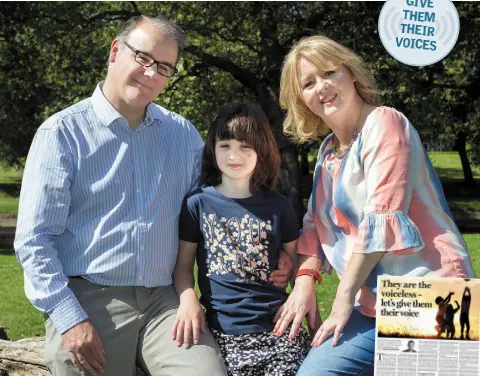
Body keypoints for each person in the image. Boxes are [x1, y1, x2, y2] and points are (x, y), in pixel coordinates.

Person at [14, 15, 292, 376]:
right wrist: (68, 319)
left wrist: (281, 254)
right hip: (90, 298)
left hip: (167, 301)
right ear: (116, 51)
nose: (150, 73)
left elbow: (221, 205)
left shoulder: (182, 135)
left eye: (163, 67)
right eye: (143, 58)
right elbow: (35, 242)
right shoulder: (61, 134)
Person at [273, 35, 475, 375]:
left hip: (431, 294)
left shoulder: (384, 123)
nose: (321, 87)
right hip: (371, 304)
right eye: (308, 83)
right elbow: (313, 227)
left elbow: (380, 221)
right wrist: (305, 280)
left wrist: (340, 302)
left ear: (350, 73)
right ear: (302, 99)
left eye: (328, 73)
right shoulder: (328, 152)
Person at [171, 103, 311, 376]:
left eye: (245, 146)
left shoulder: (280, 207)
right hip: (220, 335)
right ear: (213, 149)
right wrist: (188, 299)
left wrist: (309, 316)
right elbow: (183, 266)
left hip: (277, 331)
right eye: (225, 145)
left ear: (262, 149)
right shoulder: (196, 204)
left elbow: (294, 265)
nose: (234, 155)